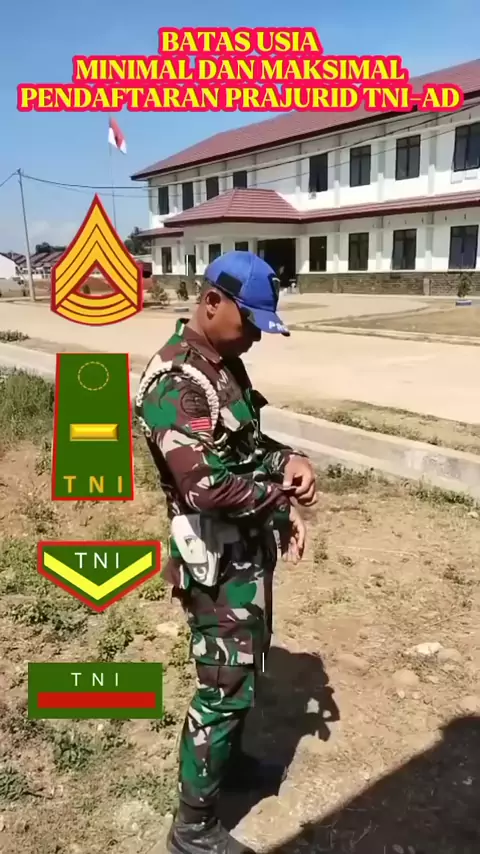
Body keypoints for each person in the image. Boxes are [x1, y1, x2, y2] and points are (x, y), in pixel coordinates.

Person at [135, 250, 317, 854]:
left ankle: (229, 766)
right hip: (214, 562)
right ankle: (192, 828)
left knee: (244, 667)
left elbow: (247, 446)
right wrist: (278, 498)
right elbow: (205, 487)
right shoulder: (177, 382)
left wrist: (288, 460)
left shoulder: (222, 367)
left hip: (243, 553)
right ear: (212, 302)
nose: (255, 339)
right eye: (250, 324)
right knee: (221, 686)